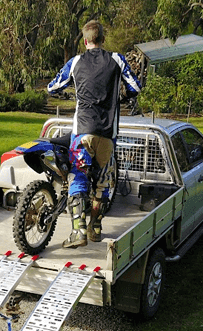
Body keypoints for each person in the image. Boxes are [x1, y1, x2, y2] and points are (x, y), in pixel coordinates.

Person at [47, 20, 141, 248]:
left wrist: (74, 90)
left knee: (77, 177)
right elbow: (135, 87)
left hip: (82, 132)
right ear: (103, 39)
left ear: (85, 40)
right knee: (102, 183)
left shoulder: (76, 61)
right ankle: (95, 229)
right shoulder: (117, 59)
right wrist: (122, 98)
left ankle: (77, 232)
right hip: (108, 133)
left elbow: (52, 87)